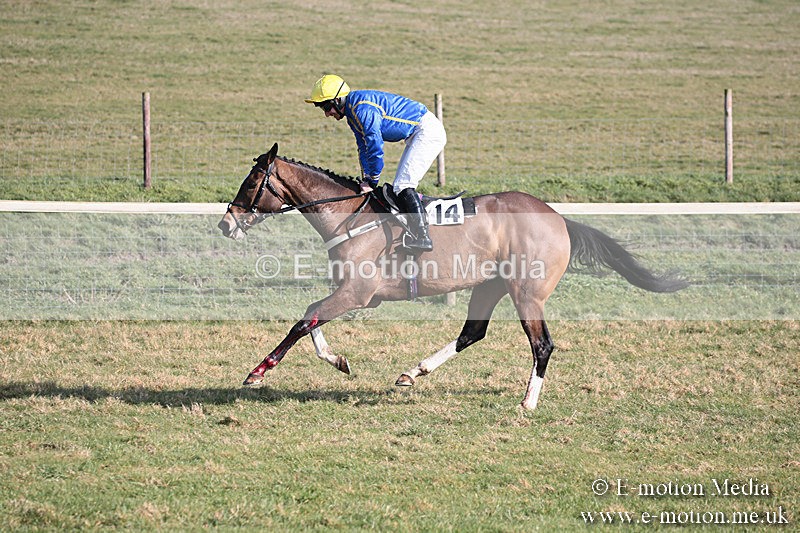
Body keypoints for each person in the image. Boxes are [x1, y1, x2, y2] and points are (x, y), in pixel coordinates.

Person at [305, 74, 446, 252]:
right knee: (399, 186)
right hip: (416, 133)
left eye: (327, 107)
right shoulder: (353, 114)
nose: (327, 114)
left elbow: (374, 146)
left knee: (403, 185)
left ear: (339, 100)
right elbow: (363, 147)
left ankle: (423, 237)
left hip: (426, 131)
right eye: (322, 109)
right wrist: (367, 179)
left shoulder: (362, 109)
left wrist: (372, 179)